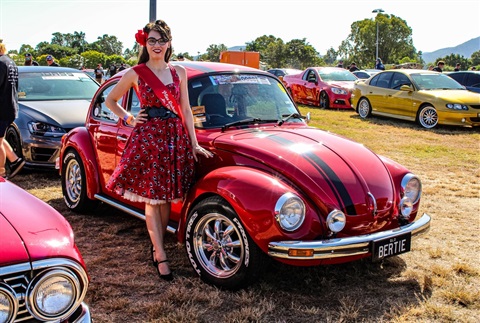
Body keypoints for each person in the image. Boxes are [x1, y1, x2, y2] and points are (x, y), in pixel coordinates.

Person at [104, 19, 213, 282]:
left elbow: (186, 109)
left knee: (165, 198)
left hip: (174, 138)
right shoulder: (136, 73)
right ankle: (160, 252)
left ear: (169, 43)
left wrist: (194, 141)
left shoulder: (179, 73)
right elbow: (110, 100)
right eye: (151, 40)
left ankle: (157, 244)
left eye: (161, 40)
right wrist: (130, 118)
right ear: (144, 42)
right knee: (153, 198)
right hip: (149, 139)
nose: (156, 45)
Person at [0, 43, 25, 179]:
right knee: (0, 138)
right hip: (10, 106)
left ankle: (1, 172)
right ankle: (15, 161)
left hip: (2, 107)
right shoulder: (10, 62)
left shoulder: (0, 64)